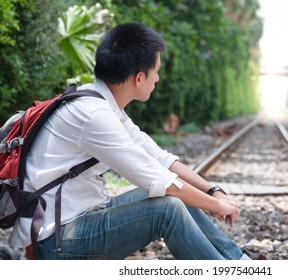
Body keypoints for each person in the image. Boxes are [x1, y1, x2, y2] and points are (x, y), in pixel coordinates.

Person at [9, 23, 249, 260]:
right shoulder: (93, 115)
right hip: (54, 241)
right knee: (168, 208)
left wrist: (214, 192)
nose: (157, 78)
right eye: (156, 71)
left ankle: (236, 262)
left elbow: (161, 160)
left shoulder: (101, 103)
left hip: (82, 219)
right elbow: (160, 182)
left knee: (176, 197)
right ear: (139, 77)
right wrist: (216, 206)